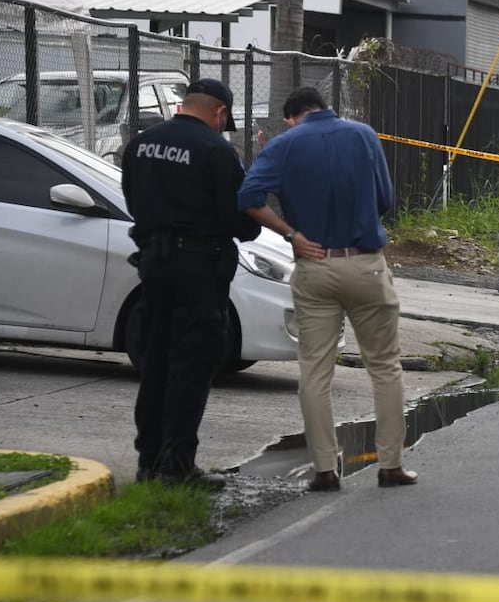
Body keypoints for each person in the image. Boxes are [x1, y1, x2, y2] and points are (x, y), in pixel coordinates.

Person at [237, 86, 415, 493]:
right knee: (385, 367)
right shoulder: (364, 136)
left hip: (314, 264)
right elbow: (385, 199)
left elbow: (247, 197)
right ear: (324, 107)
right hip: (366, 265)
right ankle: (391, 465)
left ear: (292, 116)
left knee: (315, 370)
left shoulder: (284, 145)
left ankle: (324, 470)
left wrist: (291, 233)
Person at [121, 77, 261, 490]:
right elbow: (239, 220)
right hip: (198, 270)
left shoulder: (141, 144)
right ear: (219, 112)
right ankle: (177, 465)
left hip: (153, 266)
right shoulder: (216, 151)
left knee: (156, 360)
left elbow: (132, 199)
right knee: (192, 365)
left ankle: (148, 460)